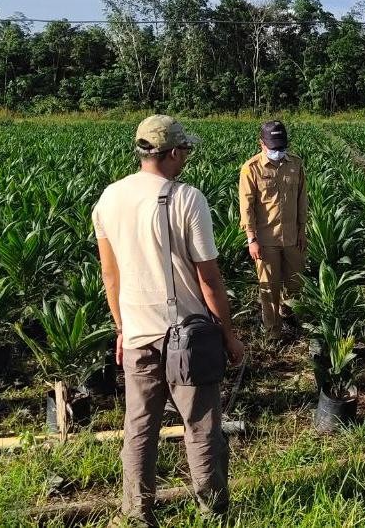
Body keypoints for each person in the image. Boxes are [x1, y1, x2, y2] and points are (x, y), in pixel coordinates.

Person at [94, 114, 246, 524]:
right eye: (185, 151)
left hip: (139, 333)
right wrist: (229, 335)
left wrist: (122, 329)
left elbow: (111, 275)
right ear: (174, 152)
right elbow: (208, 277)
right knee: (201, 426)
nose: (187, 159)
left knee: (139, 428)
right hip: (188, 336)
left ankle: (137, 513)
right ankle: (213, 511)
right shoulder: (186, 198)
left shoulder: (108, 198)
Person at [238, 120, 308, 341]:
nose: (278, 152)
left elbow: (302, 199)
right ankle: (272, 333)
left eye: (281, 147)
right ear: (262, 144)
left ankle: (286, 313)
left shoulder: (295, 164)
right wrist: (251, 238)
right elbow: (246, 206)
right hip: (265, 240)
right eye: (273, 147)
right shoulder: (251, 169)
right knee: (269, 288)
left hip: (292, 237)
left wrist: (302, 230)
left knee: (296, 283)